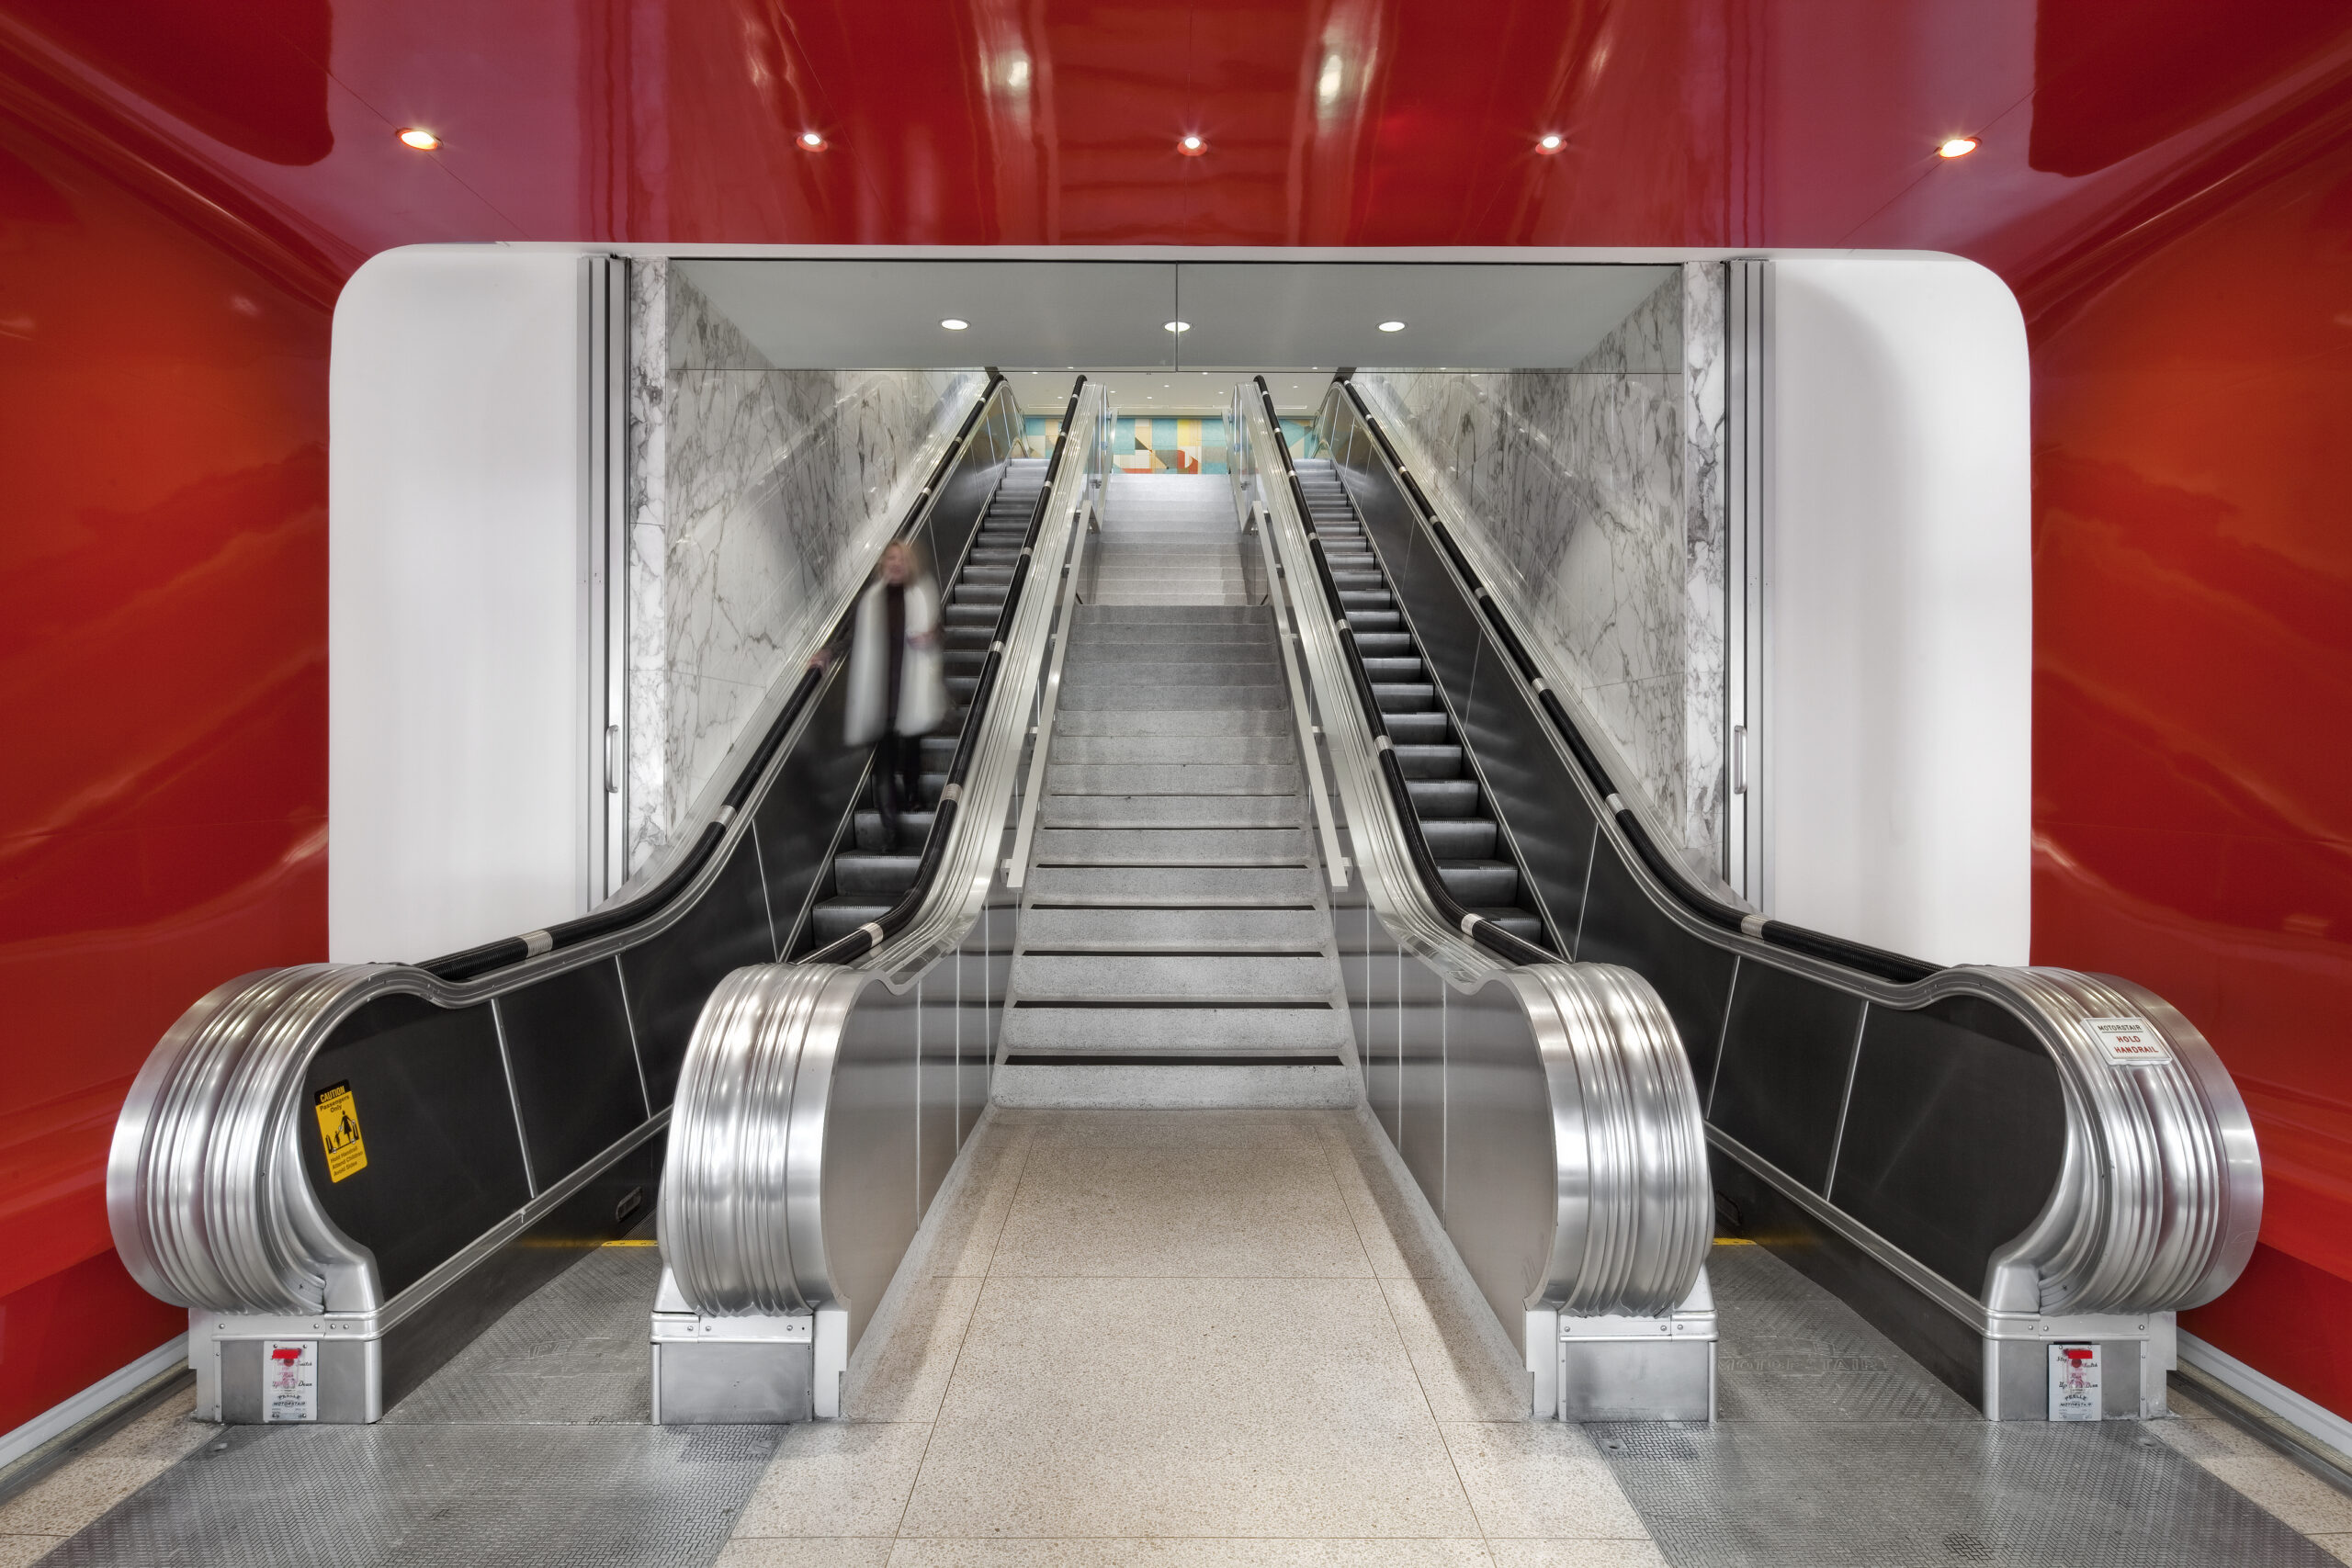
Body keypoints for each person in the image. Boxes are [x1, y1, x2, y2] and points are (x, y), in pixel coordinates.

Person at [828, 540, 947, 851]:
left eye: (901, 559)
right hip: (877, 699)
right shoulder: (869, 601)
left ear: (908, 564)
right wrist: (828, 653)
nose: (896, 564)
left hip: (909, 695)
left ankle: (913, 794)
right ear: (883, 564)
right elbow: (853, 638)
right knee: (882, 768)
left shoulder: (920, 595)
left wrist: (930, 636)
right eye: (891, 559)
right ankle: (890, 831)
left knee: (910, 754)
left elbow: (938, 632)